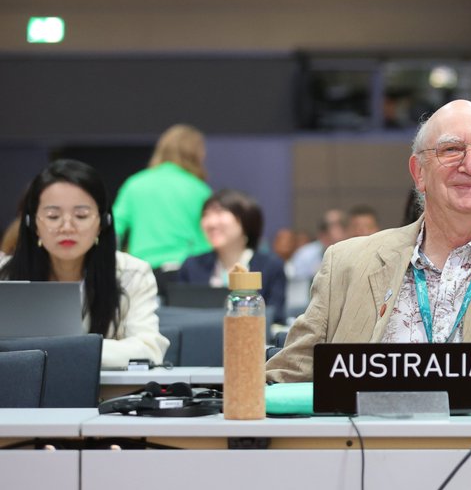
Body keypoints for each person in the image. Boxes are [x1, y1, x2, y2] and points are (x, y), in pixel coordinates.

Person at [266, 99, 471, 393]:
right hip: (361, 448)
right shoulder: (345, 263)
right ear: (418, 173)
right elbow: (287, 377)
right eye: (451, 150)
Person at [0, 159, 167, 369]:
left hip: (104, 397)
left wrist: (69, 349)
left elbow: (149, 350)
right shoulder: (4, 275)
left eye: (81, 215)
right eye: (53, 216)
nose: (67, 226)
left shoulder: (132, 273)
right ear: (32, 224)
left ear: (102, 223)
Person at [176, 189, 287, 326]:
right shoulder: (191, 265)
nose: (211, 223)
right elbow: (180, 316)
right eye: (206, 215)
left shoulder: (271, 266)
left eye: (219, 213)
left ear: (246, 219)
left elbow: (276, 319)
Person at [112, 124, 211, 270]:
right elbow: (209, 239)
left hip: (142, 270)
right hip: (187, 268)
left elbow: (114, 228)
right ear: (196, 153)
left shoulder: (135, 184)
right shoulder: (199, 189)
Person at [287, 208, 347, 290]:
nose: (341, 232)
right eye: (335, 226)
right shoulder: (305, 255)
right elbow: (297, 287)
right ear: (323, 235)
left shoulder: (352, 252)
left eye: (343, 226)